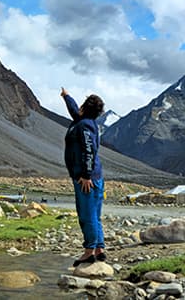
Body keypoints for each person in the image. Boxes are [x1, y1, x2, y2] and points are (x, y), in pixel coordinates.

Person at [61, 87, 106, 265]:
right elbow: (74, 110)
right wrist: (66, 96)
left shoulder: (85, 125)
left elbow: (89, 150)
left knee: (87, 215)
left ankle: (89, 251)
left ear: (84, 108)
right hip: (92, 176)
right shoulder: (83, 120)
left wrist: (86, 175)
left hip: (87, 179)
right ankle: (99, 249)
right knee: (95, 214)